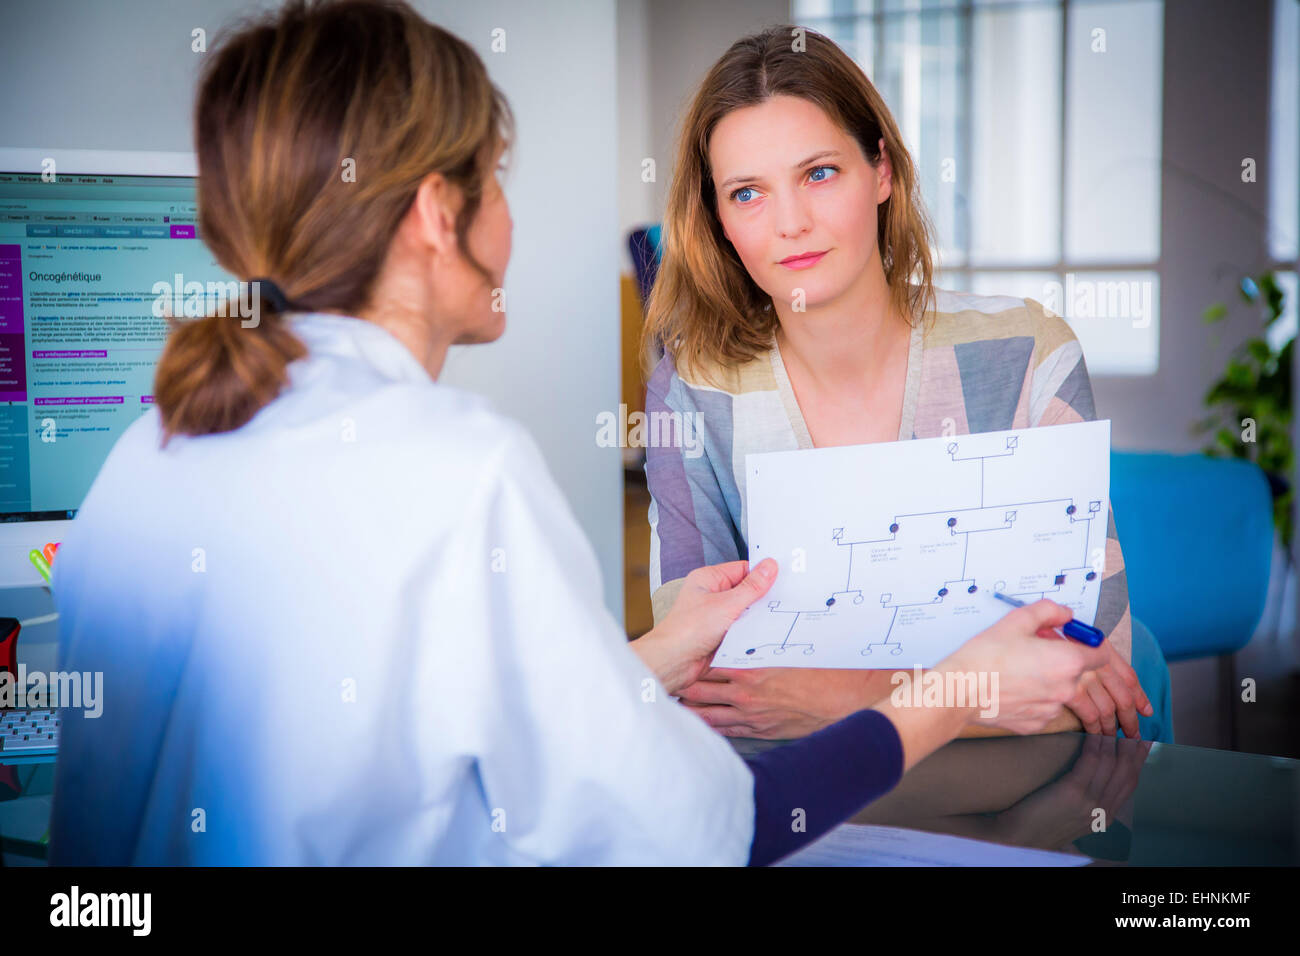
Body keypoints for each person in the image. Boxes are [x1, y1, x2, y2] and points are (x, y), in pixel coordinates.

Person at [49, 0, 1110, 866]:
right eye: (495, 181)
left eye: (819, 174)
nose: (509, 220)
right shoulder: (458, 470)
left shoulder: (149, 456)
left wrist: (654, 650)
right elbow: (713, 832)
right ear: (434, 214)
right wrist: (948, 690)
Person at [642, 25, 1173, 744]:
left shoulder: (1026, 352)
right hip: (808, 813)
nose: (791, 223)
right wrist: (983, 689)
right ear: (718, 220)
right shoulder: (693, 388)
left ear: (882, 172)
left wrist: (841, 696)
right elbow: (702, 683)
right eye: (747, 193)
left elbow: (1090, 670)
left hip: (1022, 807)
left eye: (819, 173)